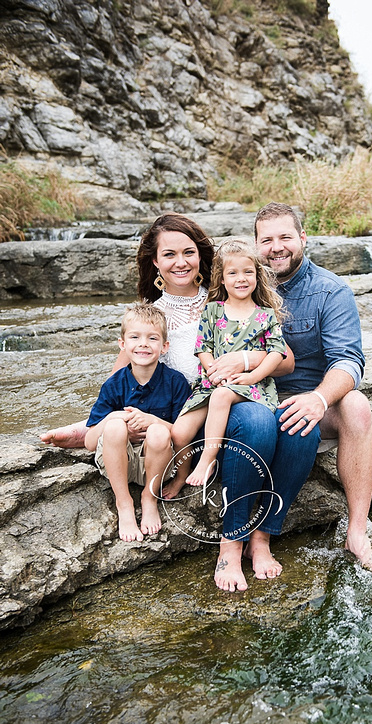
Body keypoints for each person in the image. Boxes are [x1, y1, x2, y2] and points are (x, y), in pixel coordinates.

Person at [208, 203, 372, 592]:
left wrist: (319, 399)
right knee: (257, 420)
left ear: (302, 238)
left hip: (306, 397)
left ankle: (355, 530)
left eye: (285, 237)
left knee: (355, 404)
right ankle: (237, 539)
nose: (276, 247)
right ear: (255, 245)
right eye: (266, 240)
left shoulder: (329, 290)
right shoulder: (237, 285)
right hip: (250, 396)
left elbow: (349, 361)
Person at [40, 213, 216, 448]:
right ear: (155, 261)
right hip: (169, 410)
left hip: (214, 404)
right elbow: (119, 377)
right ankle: (92, 427)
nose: (181, 262)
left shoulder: (222, 299)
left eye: (188, 252)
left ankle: (89, 429)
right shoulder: (152, 316)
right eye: (169, 254)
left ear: (199, 253)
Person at [170, 238, 288, 491]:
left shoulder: (265, 315)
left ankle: (207, 461)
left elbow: (277, 353)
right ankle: (181, 475)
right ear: (222, 279)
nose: (241, 278)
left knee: (223, 396)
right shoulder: (212, 311)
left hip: (251, 386)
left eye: (248, 272)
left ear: (257, 275)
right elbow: (203, 347)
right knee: (179, 433)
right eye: (232, 273)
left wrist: (252, 376)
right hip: (211, 383)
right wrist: (213, 373)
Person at [83, 302, 192, 542]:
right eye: (134, 337)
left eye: (152, 338)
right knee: (113, 425)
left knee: (158, 432)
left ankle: (149, 498)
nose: (143, 343)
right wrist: (115, 417)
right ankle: (124, 504)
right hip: (119, 464)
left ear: (164, 347)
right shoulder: (114, 384)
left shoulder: (176, 383)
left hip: (158, 466)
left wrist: (154, 421)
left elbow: (184, 436)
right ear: (123, 345)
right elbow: (90, 442)